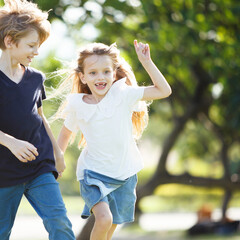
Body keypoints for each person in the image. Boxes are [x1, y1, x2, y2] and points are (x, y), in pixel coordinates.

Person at [0, 0, 75, 239]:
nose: (36, 52)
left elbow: (41, 117)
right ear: (9, 41)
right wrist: (13, 143)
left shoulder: (36, 77)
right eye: (32, 45)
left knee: (61, 224)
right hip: (3, 171)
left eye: (39, 46)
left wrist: (57, 153)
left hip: (41, 166)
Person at [56, 40, 172, 240]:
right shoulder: (78, 105)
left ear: (114, 73)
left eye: (106, 72)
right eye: (93, 73)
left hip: (124, 174)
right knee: (104, 219)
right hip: (93, 173)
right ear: (82, 77)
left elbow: (164, 90)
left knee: (109, 230)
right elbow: (66, 134)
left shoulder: (123, 94)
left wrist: (146, 61)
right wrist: (57, 160)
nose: (100, 77)